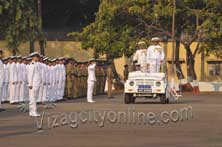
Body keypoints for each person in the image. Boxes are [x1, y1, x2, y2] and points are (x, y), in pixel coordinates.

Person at [28, 52, 41, 117]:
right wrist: (30, 84)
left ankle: (32, 112)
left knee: (33, 98)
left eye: (38, 57)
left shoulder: (36, 64)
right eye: (37, 57)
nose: (38, 58)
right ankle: (33, 111)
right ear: (33, 57)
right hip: (33, 84)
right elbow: (30, 75)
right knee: (32, 99)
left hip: (36, 84)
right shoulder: (32, 65)